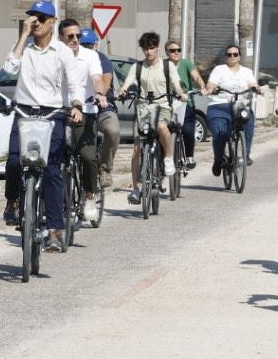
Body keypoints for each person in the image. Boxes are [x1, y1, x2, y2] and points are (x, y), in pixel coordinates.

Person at [1, 0, 87, 253]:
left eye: (41, 18)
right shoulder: (25, 49)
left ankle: (55, 229)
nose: (36, 21)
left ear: (53, 22)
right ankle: (13, 202)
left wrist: (77, 105)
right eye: (32, 17)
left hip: (53, 114)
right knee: (15, 161)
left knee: (51, 169)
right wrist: (23, 34)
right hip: (24, 112)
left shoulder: (62, 52)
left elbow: (74, 83)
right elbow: (8, 68)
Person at [118, 31, 186, 206]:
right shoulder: (137, 67)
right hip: (142, 110)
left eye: (152, 48)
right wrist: (122, 91)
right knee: (137, 150)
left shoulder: (167, 66)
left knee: (163, 127)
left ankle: (168, 157)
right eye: (145, 49)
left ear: (157, 48)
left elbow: (176, 84)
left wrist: (180, 93)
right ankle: (135, 188)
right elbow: (127, 83)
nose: (148, 52)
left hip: (162, 106)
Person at [60, 18, 109, 222]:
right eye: (70, 36)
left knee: (88, 156)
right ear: (61, 37)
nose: (75, 40)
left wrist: (100, 93)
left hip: (86, 110)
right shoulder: (55, 56)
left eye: (78, 36)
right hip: (60, 111)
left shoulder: (90, 56)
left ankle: (89, 196)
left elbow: (97, 78)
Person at [202, 43, 258, 175]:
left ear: (239, 57)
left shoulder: (247, 72)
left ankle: (246, 155)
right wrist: (209, 89)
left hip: (240, 106)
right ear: (226, 57)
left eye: (235, 54)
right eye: (229, 54)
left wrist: (257, 88)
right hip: (219, 106)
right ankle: (218, 159)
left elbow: (252, 84)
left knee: (249, 119)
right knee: (220, 133)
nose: (232, 56)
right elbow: (211, 84)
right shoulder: (219, 70)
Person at [80, 28, 121, 189]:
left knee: (113, 130)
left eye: (90, 45)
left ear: (96, 45)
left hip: (102, 106)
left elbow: (105, 81)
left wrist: (99, 95)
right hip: (80, 108)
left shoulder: (103, 60)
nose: (87, 48)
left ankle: (105, 169)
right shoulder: (73, 60)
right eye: (84, 45)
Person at [165, 40, 206, 171]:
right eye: (172, 51)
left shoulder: (186, 63)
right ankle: (163, 159)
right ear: (167, 52)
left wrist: (202, 86)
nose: (176, 53)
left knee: (188, 130)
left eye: (178, 50)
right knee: (162, 131)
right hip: (167, 103)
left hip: (186, 102)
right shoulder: (163, 65)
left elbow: (196, 77)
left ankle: (189, 156)